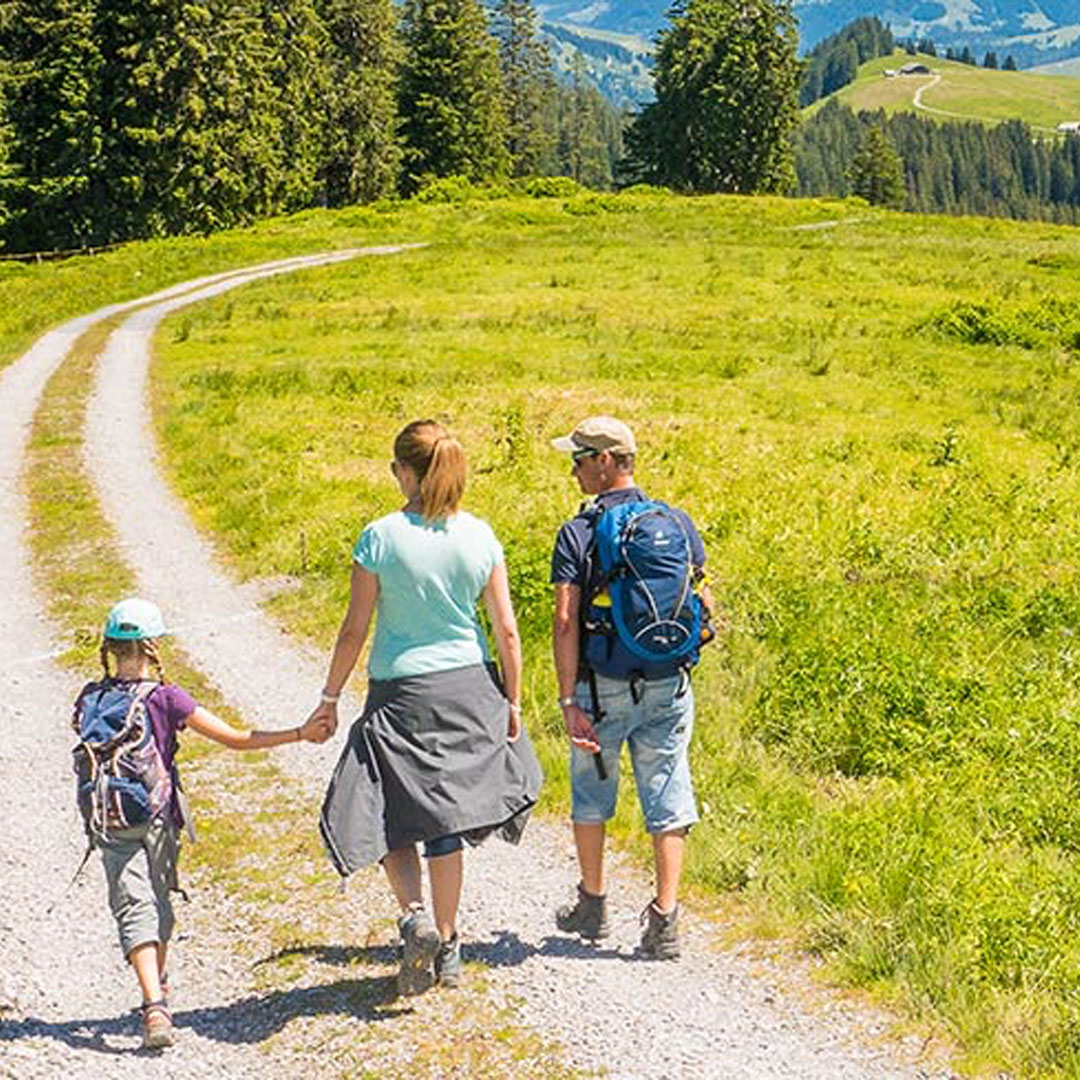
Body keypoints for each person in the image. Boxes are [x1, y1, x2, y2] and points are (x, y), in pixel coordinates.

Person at [313, 419, 542, 996]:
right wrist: (512, 701)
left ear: (407, 472)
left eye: (396, 469)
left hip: (400, 693)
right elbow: (507, 631)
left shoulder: (380, 537)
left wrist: (330, 696)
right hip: (467, 687)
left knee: (390, 809)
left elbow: (353, 628)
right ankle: (448, 943)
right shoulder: (480, 536)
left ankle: (413, 915)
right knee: (446, 821)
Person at [73, 597, 331, 1050]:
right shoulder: (167, 698)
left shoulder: (91, 698)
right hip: (156, 818)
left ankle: (153, 999)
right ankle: (157, 1003)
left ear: (111, 647)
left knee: (134, 906)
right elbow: (235, 739)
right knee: (158, 907)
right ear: (154, 646)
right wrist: (298, 733)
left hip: (109, 821)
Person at [549, 416, 711, 960]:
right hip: (668, 683)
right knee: (667, 788)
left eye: (580, 458)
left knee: (592, 792)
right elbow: (702, 600)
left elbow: (566, 621)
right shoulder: (677, 522)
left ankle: (593, 904)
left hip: (601, 686)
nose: (573, 469)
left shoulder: (578, 532)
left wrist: (568, 698)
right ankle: (665, 918)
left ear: (606, 462)